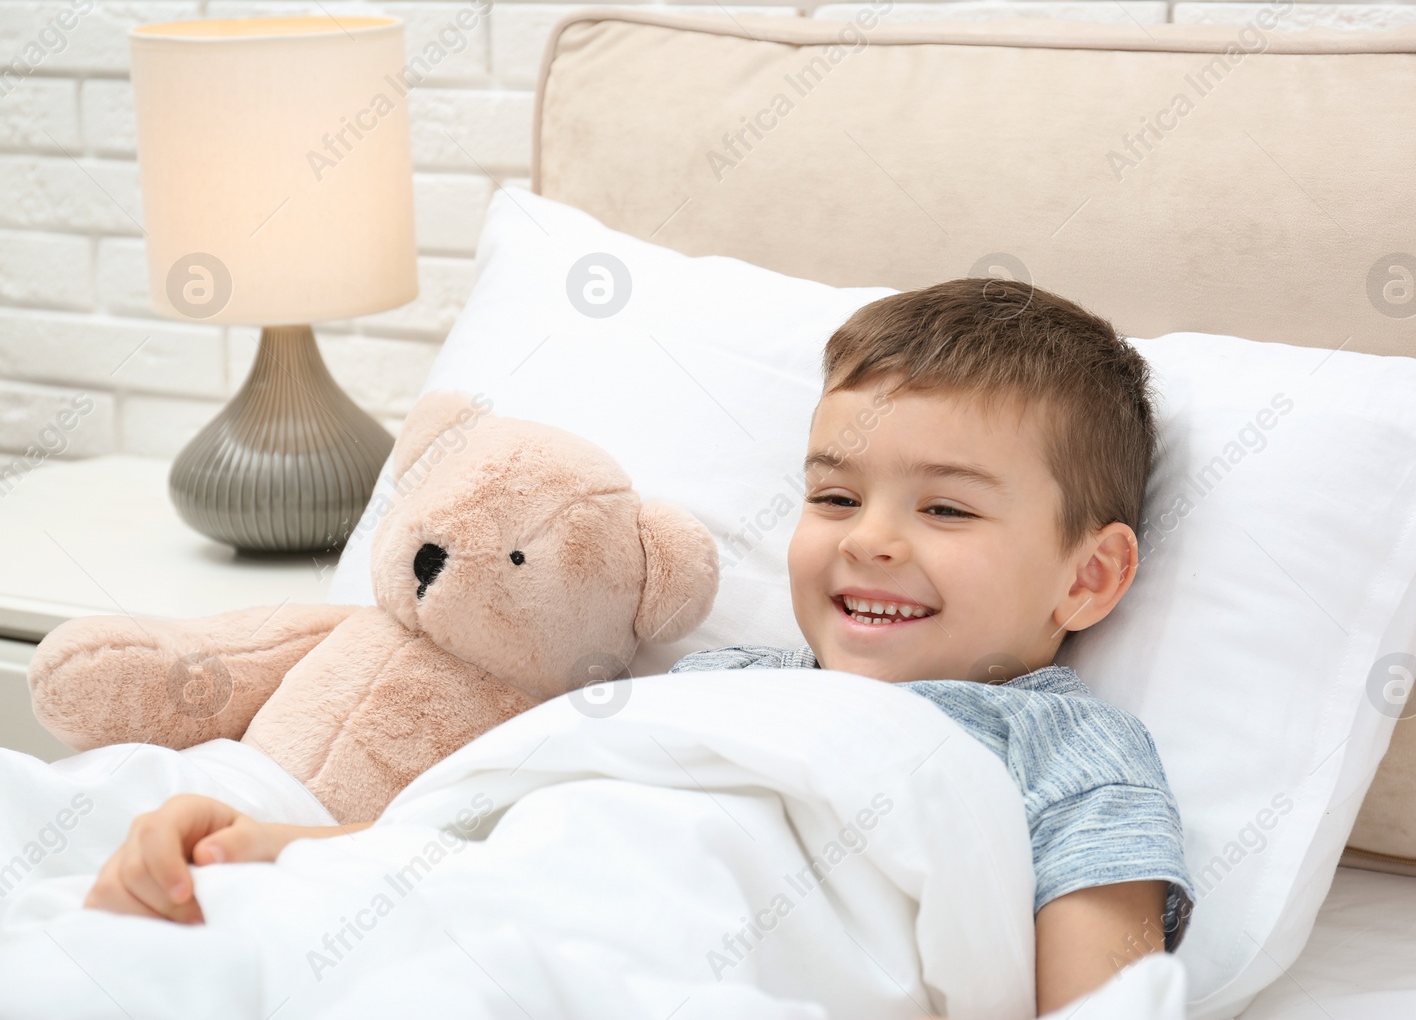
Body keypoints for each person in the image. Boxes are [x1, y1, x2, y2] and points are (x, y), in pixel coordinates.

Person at [85, 277, 1195, 1014]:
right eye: (834, 493)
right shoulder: (724, 688)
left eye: (945, 511)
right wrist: (259, 840)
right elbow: (495, 830)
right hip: (504, 911)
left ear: (1088, 574)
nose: (872, 541)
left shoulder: (1063, 742)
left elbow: (1100, 993)